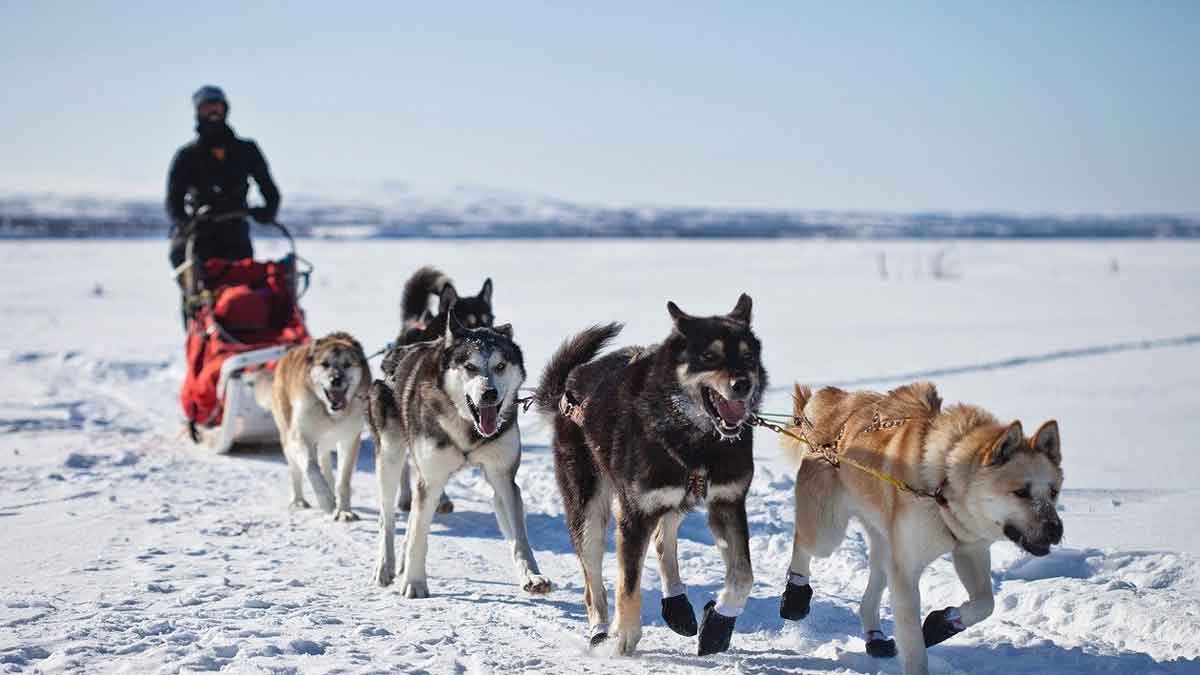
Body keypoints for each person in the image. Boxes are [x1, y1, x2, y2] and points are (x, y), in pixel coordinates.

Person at [167, 85, 281, 270]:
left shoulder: (246, 150)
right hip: (200, 237)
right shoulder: (187, 155)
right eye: (206, 107)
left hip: (236, 235)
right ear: (198, 112)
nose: (213, 112)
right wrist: (185, 223)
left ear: (225, 109)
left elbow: (269, 189)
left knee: (241, 290)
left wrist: (268, 211)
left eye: (217, 106)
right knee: (200, 292)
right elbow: (173, 200)